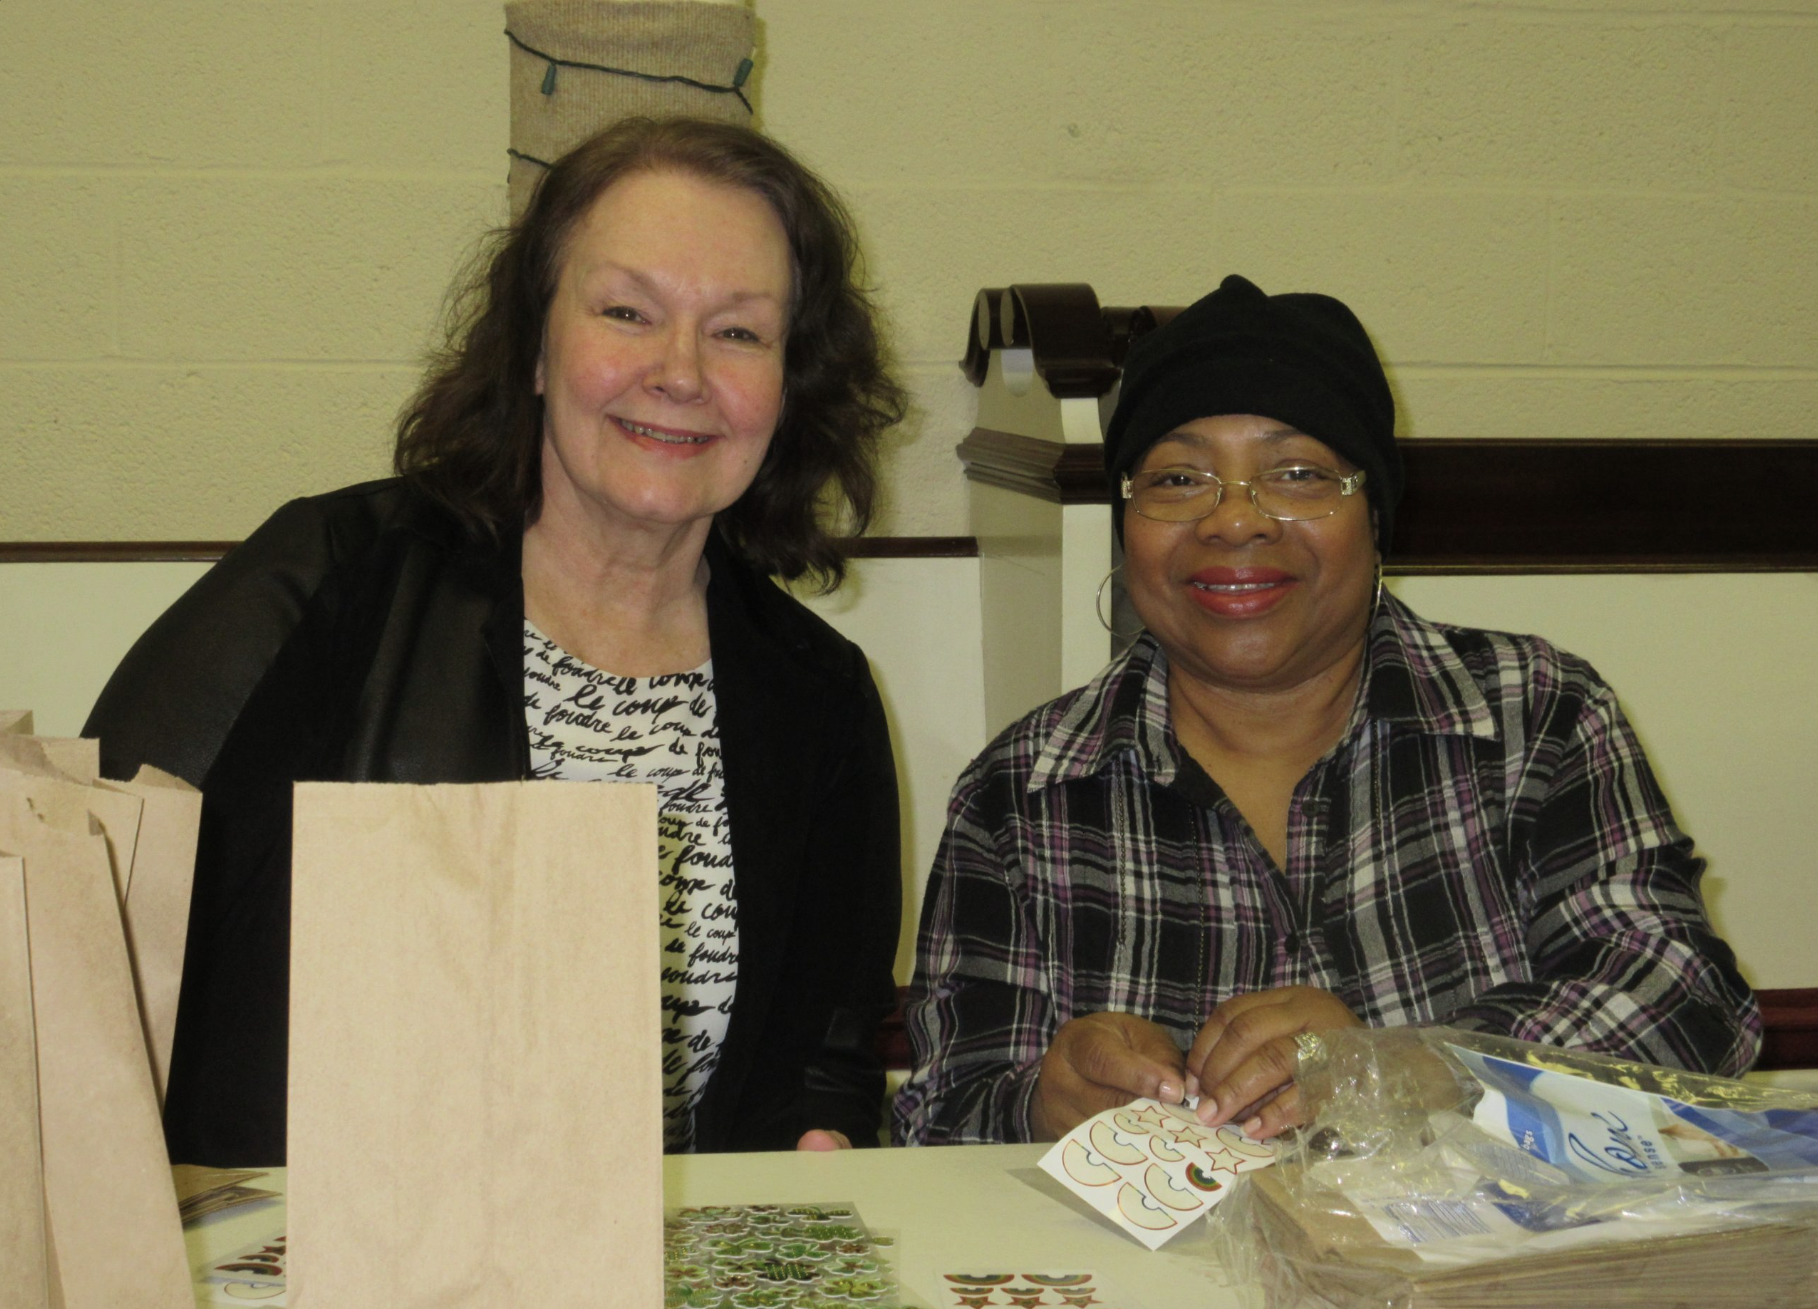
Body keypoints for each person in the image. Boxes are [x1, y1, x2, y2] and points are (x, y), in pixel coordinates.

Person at [86, 117, 907, 1167]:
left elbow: (824, 1053)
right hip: (302, 1280)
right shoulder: (332, 579)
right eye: (627, 311)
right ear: (533, 347)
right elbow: (86, 929)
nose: (681, 370)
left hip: (635, 1295)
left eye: (740, 332)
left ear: (791, 383)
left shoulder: (820, 691)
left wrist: (820, 1135)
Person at [893, 274, 1761, 1147]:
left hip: (1487, 1275)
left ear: (1375, 513)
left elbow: (1685, 1001)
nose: (1234, 522)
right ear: (1129, 523)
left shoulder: (1535, 717)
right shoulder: (1024, 791)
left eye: (1299, 474)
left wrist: (1423, 1066)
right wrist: (1037, 1106)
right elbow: (933, 1120)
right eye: (1180, 478)